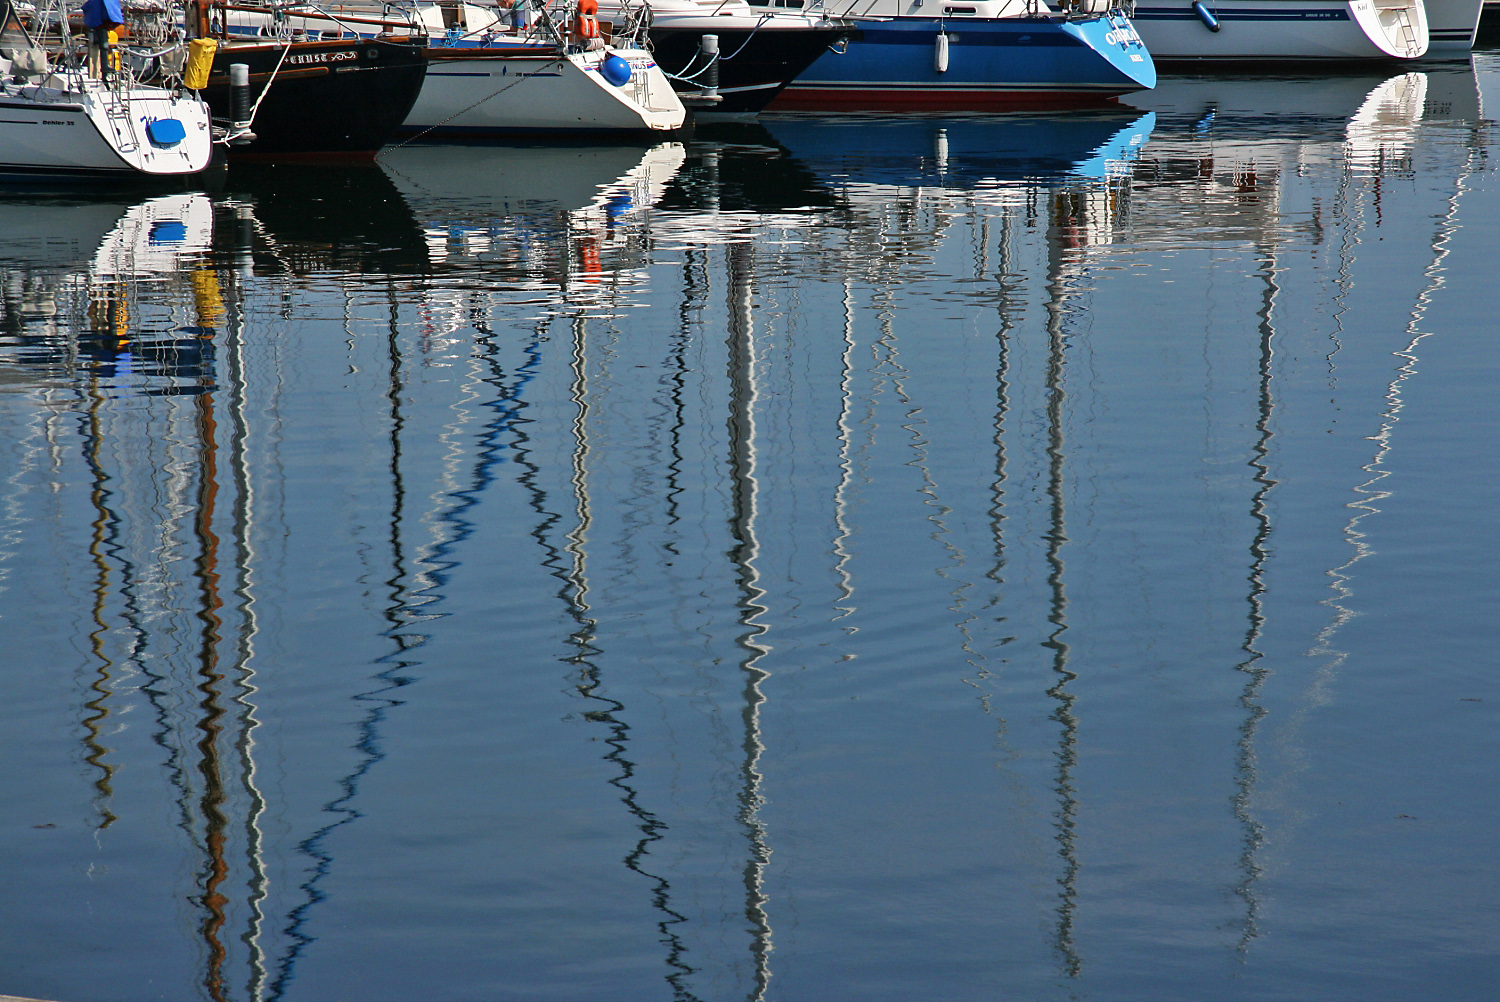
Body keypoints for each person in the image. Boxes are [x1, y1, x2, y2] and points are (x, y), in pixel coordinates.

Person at [81, 0, 124, 77]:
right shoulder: (103, 3)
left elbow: (86, 7)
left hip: (97, 24)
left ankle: (105, 68)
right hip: (99, 25)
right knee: (104, 45)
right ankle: (104, 68)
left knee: (104, 45)